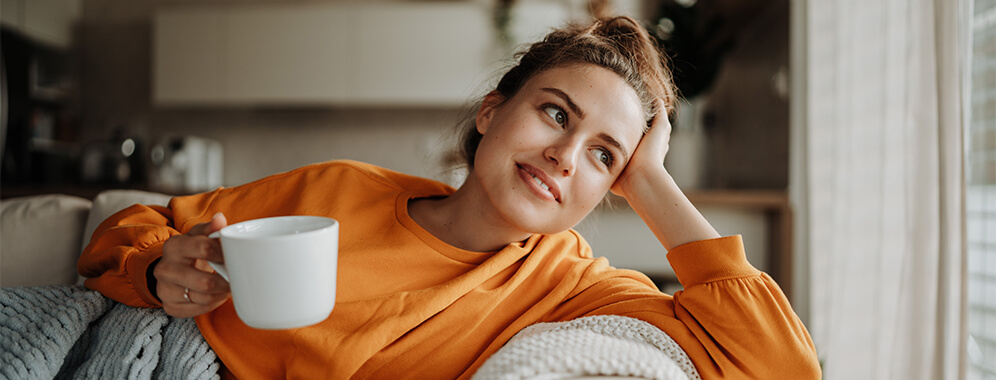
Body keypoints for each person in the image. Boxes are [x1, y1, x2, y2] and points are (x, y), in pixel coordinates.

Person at [79, 15, 820, 379]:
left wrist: (653, 181)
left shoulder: (570, 286)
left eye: (604, 156)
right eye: (555, 114)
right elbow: (130, 226)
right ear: (493, 112)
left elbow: (783, 367)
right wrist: (157, 269)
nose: (565, 156)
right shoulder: (338, 188)